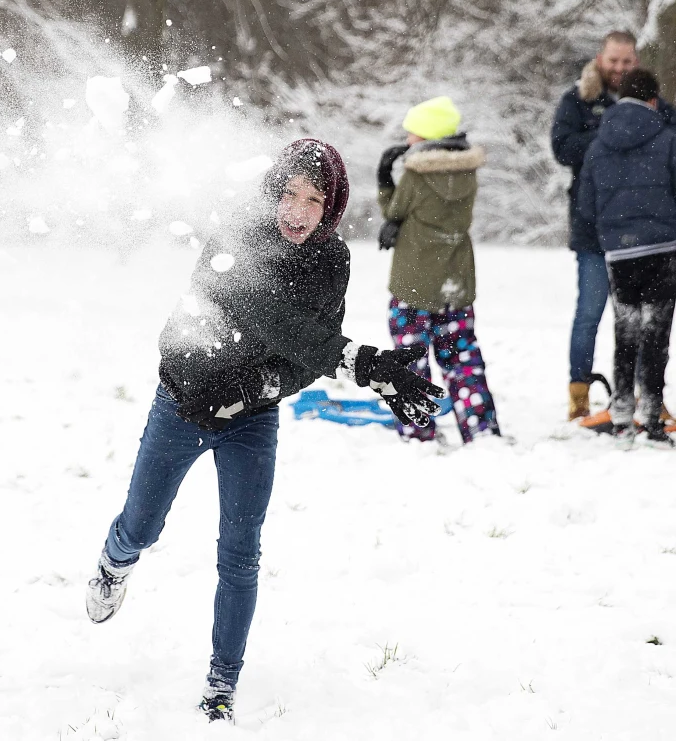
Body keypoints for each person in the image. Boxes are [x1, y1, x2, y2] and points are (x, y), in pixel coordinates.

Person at [83, 139, 444, 723]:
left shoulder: (331, 260)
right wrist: (360, 363)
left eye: (314, 199)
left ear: (331, 206)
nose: (298, 211)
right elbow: (269, 313)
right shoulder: (237, 237)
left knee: (241, 552)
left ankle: (222, 682)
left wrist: (257, 392)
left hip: (251, 420)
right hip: (184, 400)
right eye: (290, 194)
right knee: (142, 527)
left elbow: (303, 353)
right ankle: (114, 562)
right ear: (272, 193)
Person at [551, 30, 676, 421]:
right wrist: (608, 141)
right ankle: (580, 393)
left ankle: (644, 397)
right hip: (593, 228)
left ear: (635, 62)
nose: (619, 68)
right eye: (613, 61)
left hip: (646, 229)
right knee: (591, 313)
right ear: (600, 59)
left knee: (642, 318)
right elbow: (561, 148)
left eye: (627, 62)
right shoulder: (577, 100)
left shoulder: (658, 107)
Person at [376, 96, 501, 445]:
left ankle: (418, 429)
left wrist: (385, 176)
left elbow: (393, 212)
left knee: (410, 357)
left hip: (414, 282)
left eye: (412, 134)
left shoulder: (416, 177)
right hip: (456, 281)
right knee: (462, 355)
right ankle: (480, 427)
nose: (407, 140)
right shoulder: (469, 173)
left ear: (428, 137)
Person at [576, 69, 676, 449]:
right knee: (656, 334)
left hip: (620, 252)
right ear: (653, 100)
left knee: (627, 329)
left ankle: (621, 415)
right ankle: (651, 415)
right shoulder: (668, 139)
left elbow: (585, 205)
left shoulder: (599, 144)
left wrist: (612, 231)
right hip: (663, 248)